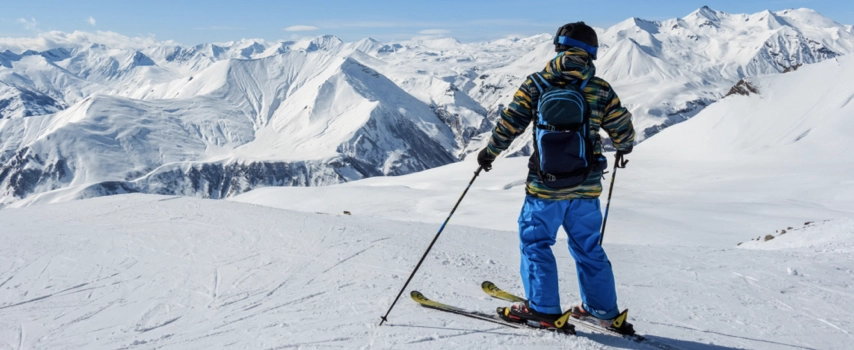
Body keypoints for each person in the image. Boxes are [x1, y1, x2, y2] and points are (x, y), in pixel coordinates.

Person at [477, 22, 636, 335]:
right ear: (592, 53)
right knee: (589, 247)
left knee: (536, 244)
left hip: (544, 187)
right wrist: (622, 148)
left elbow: (510, 125)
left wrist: (489, 154)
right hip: (586, 188)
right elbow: (624, 132)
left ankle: (544, 309)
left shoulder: (536, 84)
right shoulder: (600, 88)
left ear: (558, 48)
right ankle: (603, 311)